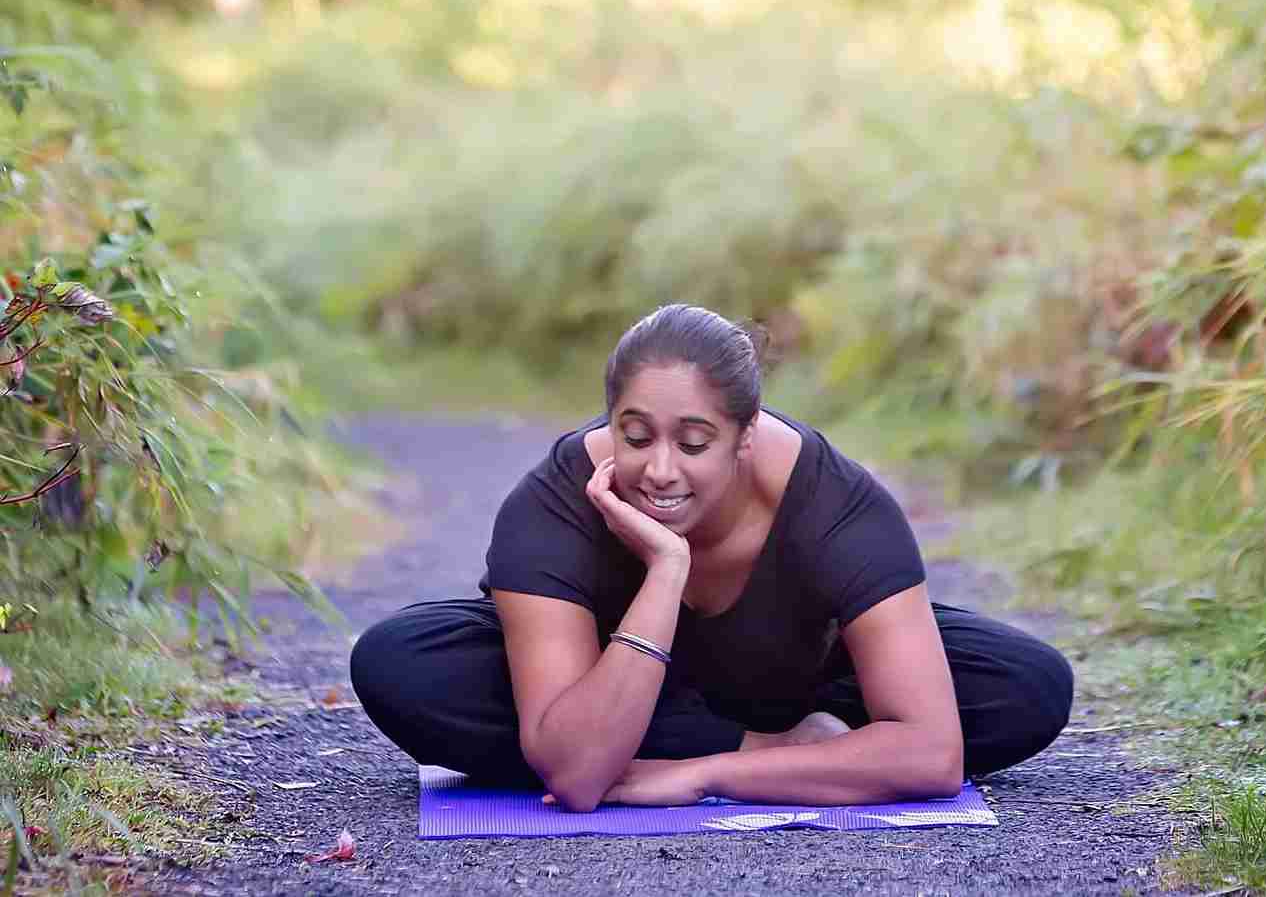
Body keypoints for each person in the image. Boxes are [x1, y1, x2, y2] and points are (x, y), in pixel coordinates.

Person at [351, 304, 1073, 813]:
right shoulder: (551, 504)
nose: (660, 470)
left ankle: (760, 742)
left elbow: (934, 758)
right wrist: (667, 571)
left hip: (794, 673)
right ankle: (801, 750)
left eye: (693, 443)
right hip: (611, 677)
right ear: (610, 423)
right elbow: (574, 777)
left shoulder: (837, 503)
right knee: (401, 664)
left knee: (1022, 685)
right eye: (636, 437)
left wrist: (705, 774)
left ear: (745, 435)